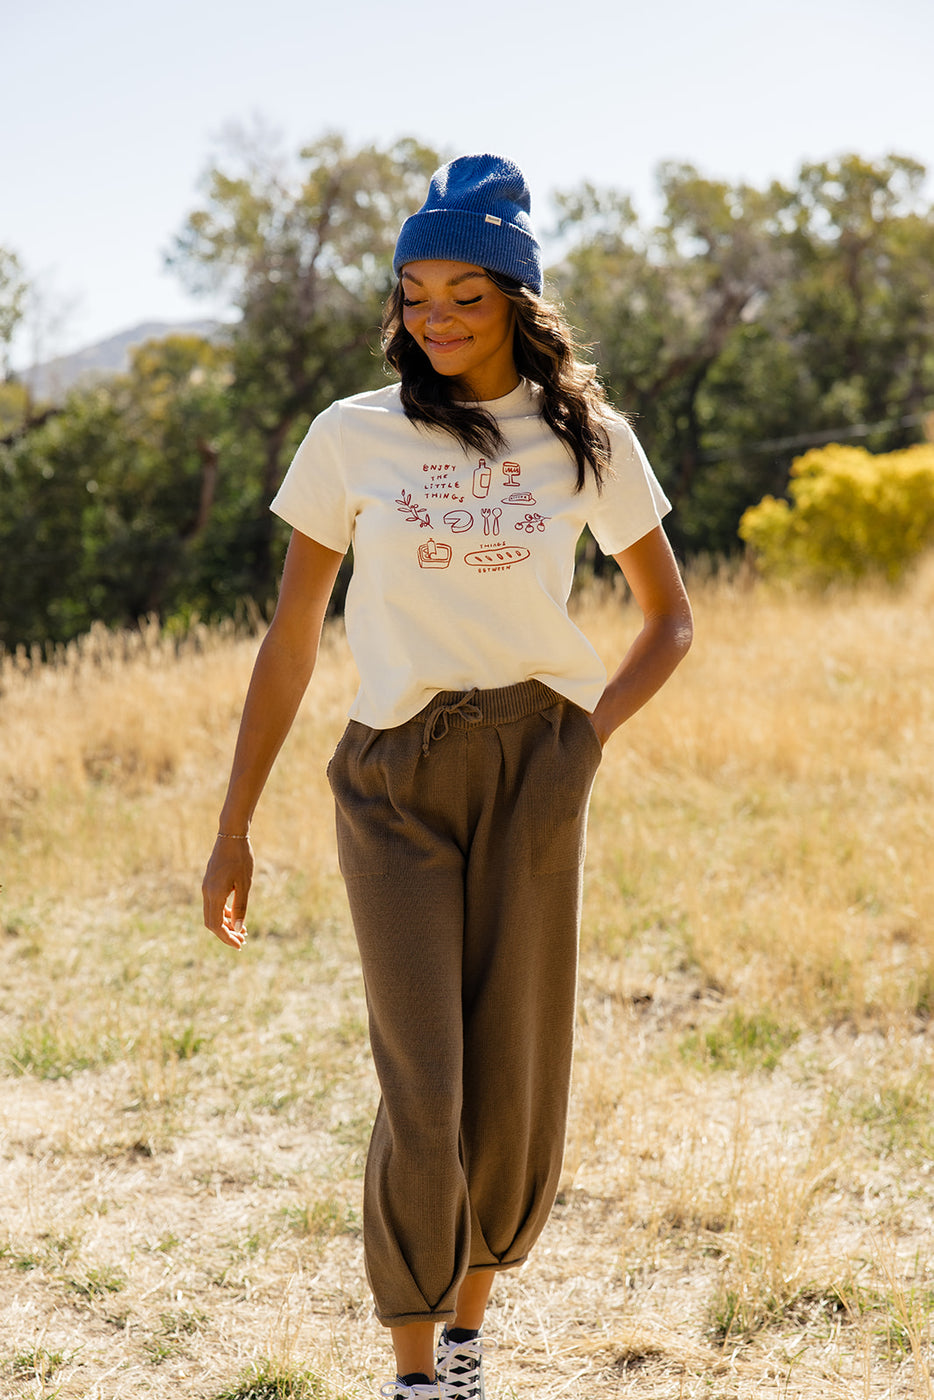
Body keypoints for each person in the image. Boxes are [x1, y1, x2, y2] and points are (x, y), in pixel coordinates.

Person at [202, 153, 693, 1400]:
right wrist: (234, 823)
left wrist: (582, 742)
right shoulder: (352, 436)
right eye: (415, 292)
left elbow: (668, 619)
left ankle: (469, 1337)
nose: (434, 317)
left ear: (517, 300)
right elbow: (293, 635)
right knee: (424, 1078)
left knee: (511, 1071)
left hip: (537, 757)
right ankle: (418, 1374)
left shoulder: (587, 438)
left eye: (463, 294)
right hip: (391, 775)